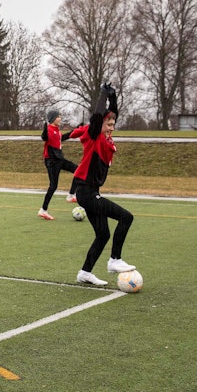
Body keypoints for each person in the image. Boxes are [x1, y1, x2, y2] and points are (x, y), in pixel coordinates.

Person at [71, 83, 135, 286]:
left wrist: (113, 98)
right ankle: (115, 259)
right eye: (109, 125)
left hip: (91, 192)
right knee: (126, 217)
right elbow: (98, 116)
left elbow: (111, 114)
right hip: (86, 192)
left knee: (103, 234)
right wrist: (102, 94)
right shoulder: (94, 136)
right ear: (100, 125)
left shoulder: (106, 139)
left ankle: (85, 272)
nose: (111, 128)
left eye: (113, 125)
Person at [38, 108, 85, 220]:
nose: (60, 118)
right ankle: (43, 210)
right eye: (58, 116)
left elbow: (63, 137)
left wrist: (77, 129)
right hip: (52, 161)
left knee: (78, 171)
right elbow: (44, 137)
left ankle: (71, 195)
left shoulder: (56, 130)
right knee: (53, 186)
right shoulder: (49, 130)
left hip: (59, 159)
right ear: (53, 119)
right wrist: (44, 131)